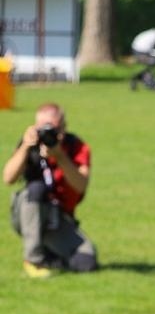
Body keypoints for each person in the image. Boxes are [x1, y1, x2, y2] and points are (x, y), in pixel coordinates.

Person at [5, 102, 95, 277]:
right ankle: (33, 259)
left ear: (63, 128)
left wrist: (60, 156)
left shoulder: (76, 147)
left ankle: (50, 254)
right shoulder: (29, 146)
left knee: (86, 262)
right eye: (42, 128)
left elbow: (81, 185)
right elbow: (8, 178)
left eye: (52, 128)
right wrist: (25, 146)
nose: (48, 133)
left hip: (60, 219)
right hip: (28, 213)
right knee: (37, 188)